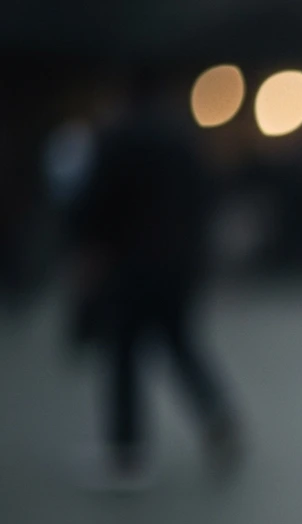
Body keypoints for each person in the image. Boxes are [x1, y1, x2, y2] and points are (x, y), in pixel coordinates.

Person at [74, 67, 242, 487]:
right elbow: (206, 199)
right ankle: (216, 413)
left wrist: (89, 253)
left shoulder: (117, 137)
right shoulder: (183, 138)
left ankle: (126, 450)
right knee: (179, 342)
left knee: (124, 354)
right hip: (179, 264)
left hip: (130, 263)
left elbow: (97, 202)